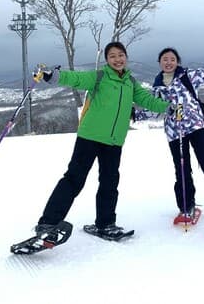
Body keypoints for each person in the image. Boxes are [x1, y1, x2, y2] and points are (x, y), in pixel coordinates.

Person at [31, 41, 172, 241]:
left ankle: (105, 224)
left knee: (109, 182)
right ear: (107, 60)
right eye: (112, 56)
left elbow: (148, 100)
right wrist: (54, 75)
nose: (117, 59)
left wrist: (168, 107)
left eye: (120, 55)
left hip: (114, 141)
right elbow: (76, 78)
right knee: (74, 179)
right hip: (89, 137)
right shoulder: (99, 77)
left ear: (126, 57)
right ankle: (48, 222)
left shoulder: (130, 82)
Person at [136, 35, 204, 224]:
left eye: (172, 59)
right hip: (174, 132)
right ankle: (186, 206)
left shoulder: (187, 75)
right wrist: (134, 115)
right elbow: (154, 111)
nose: (169, 62)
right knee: (182, 169)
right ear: (159, 63)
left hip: (196, 126)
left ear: (177, 62)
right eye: (165, 59)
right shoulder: (157, 88)